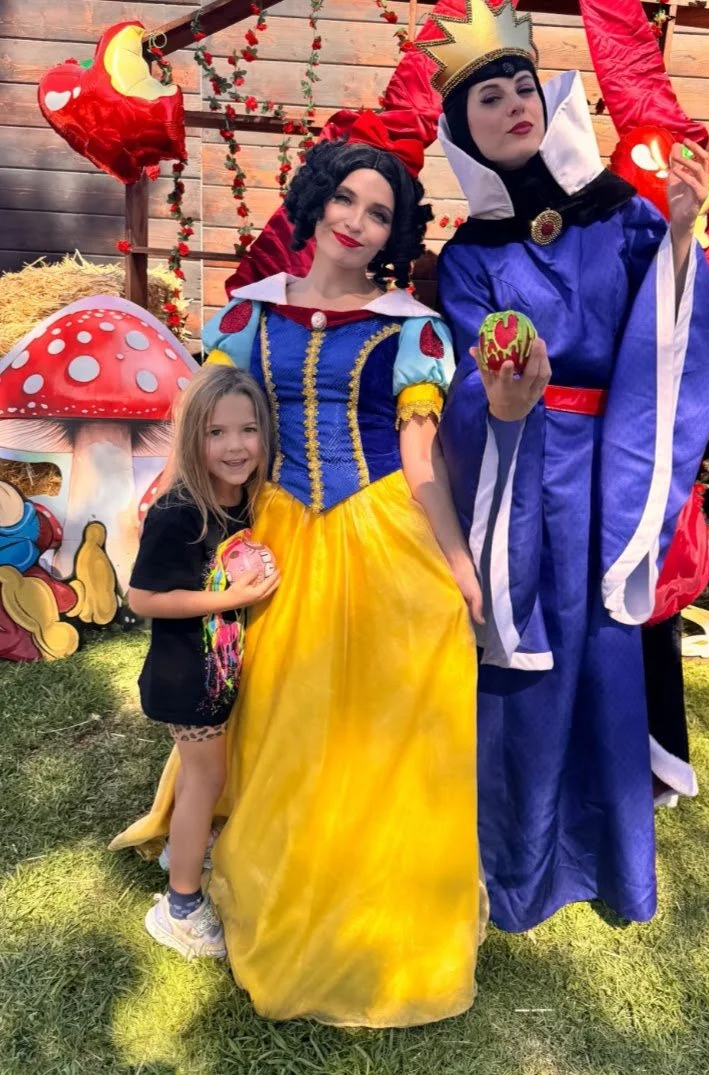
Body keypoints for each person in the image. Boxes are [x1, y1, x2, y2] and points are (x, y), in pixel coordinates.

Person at [112, 111, 486, 1026]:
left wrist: (458, 559)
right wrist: (165, 494)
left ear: (395, 235)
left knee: (374, 711)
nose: (357, 220)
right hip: (270, 535)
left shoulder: (412, 328)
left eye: (380, 211)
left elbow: (422, 453)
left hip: (377, 530)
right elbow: (207, 416)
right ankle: (240, 855)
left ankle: (356, 870)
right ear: (317, 206)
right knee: (273, 706)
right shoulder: (249, 312)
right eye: (346, 199)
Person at [419, 0, 709, 931]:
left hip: (614, 470)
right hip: (522, 469)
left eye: (522, 85)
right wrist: (502, 393)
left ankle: (616, 865)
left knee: (604, 644)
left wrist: (679, 233)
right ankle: (520, 869)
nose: (514, 102)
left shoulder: (621, 216)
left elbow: (667, 328)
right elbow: (476, 364)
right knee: (529, 664)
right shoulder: (467, 253)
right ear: (462, 135)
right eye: (488, 97)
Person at [126, 366, 280, 959]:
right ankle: (180, 905)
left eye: (248, 430)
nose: (236, 446)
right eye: (217, 433)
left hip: (213, 675)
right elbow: (143, 598)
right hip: (184, 679)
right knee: (205, 782)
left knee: (202, 779)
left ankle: (180, 850)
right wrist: (232, 599)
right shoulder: (180, 513)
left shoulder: (242, 500)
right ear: (193, 438)